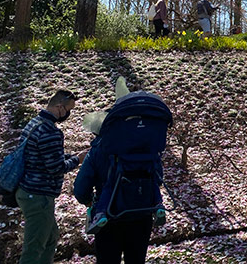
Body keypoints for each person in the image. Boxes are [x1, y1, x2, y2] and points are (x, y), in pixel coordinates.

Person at [72, 88, 171, 264]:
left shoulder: (99, 150)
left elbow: (80, 188)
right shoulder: (148, 147)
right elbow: (158, 177)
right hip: (141, 214)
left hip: (109, 217)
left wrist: (89, 201)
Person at [17, 89, 83, 264]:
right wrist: (78, 159)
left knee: (51, 238)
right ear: (60, 107)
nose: (68, 114)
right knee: (34, 248)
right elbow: (56, 167)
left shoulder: (34, 123)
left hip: (28, 191)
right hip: (39, 196)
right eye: (69, 110)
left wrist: (70, 156)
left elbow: (42, 155)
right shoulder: (50, 132)